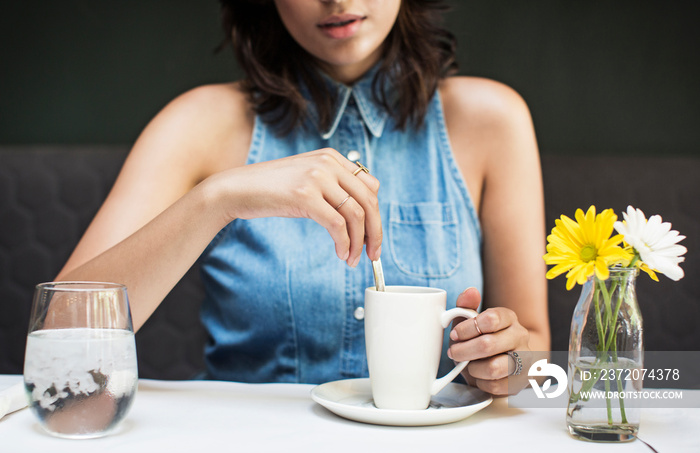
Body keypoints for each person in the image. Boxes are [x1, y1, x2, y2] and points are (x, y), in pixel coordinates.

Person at [57, 0, 550, 395]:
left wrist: (509, 365)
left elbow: (535, 356)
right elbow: (59, 345)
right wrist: (220, 197)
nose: (337, 0)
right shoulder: (198, 124)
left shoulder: (493, 120)